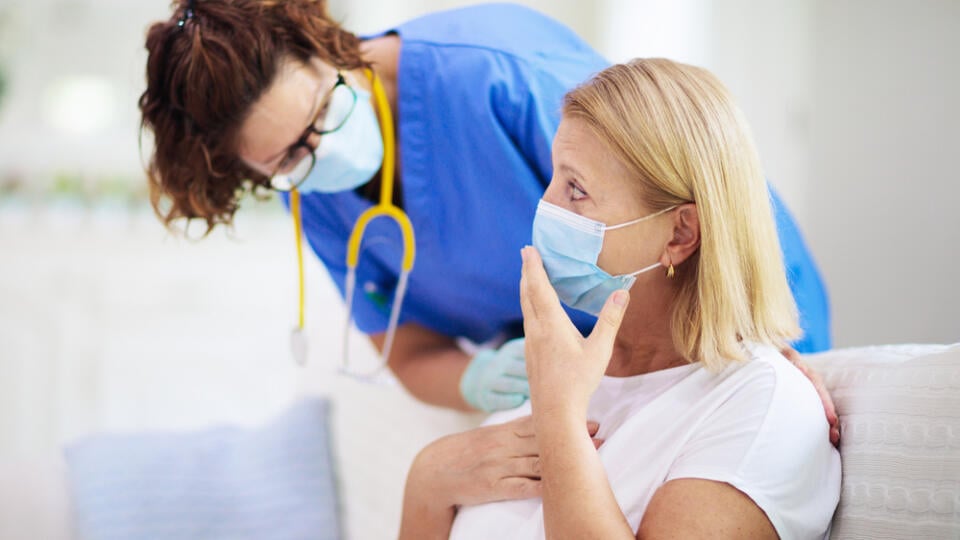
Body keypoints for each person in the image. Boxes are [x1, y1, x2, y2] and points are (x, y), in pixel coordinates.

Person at [139, 1, 832, 416]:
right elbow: (406, 350)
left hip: (725, 314)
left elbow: (696, 192)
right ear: (249, 173)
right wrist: (474, 379)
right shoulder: (317, 199)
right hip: (595, 387)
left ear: (327, 45)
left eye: (323, 112)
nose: (318, 150)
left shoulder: (495, 74)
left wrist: (760, 345)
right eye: (288, 156)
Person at [399, 58, 841, 539]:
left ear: (680, 233)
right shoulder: (558, 373)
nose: (546, 208)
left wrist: (560, 418)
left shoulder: (759, 407)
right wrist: (429, 478)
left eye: (576, 189)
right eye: (554, 179)